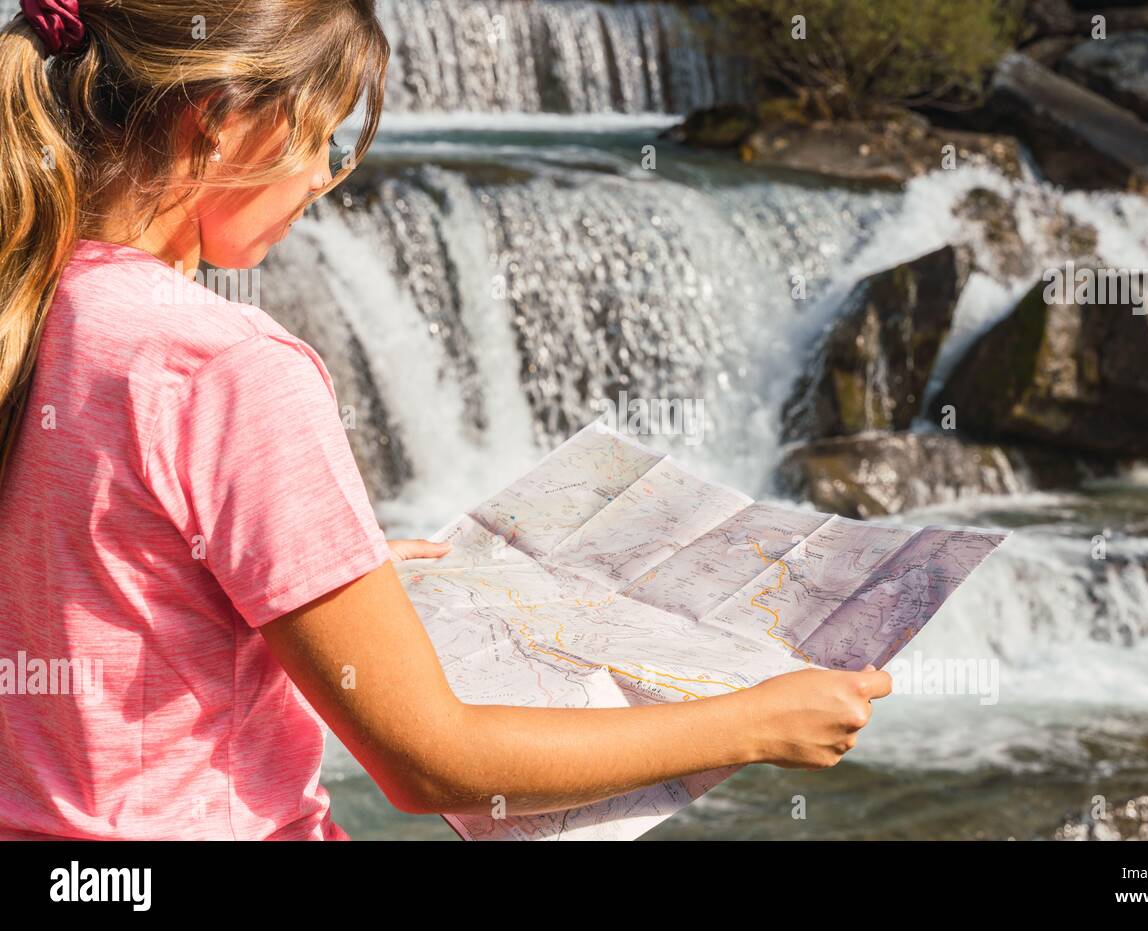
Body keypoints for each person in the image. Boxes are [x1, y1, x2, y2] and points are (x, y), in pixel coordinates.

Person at [0, 0, 891, 841]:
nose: (321, 178)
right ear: (220, 121)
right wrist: (756, 721)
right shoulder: (226, 366)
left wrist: (297, 577)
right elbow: (432, 761)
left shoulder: (31, 302)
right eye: (318, 136)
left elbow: (83, 563)